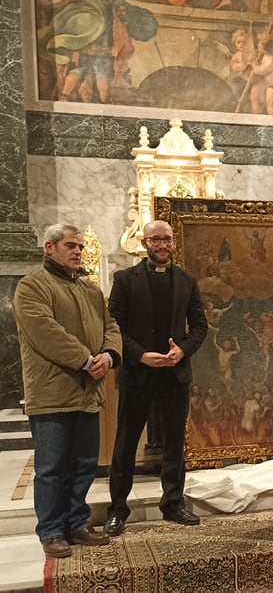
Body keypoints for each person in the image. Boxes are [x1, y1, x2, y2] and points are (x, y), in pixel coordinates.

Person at [12, 224, 122, 558]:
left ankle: (77, 523)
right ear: (50, 247)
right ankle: (51, 530)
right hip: (52, 393)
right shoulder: (32, 286)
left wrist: (109, 356)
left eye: (80, 246)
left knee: (84, 464)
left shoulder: (89, 290)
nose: (78, 251)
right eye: (71, 245)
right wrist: (86, 359)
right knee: (51, 467)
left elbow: (111, 327)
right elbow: (45, 332)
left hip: (88, 393)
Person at [104, 219, 208, 536]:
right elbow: (113, 326)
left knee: (174, 443)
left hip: (174, 374)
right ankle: (117, 509)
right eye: (155, 240)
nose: (162, 245)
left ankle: (173, 504)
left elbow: (200, 326)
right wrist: (139, 354)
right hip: (137, 374)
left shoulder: (187, 281)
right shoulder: (124, 279)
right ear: (144, 243)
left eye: (167, 239)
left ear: (173, 243)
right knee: (125, 444)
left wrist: (183, 351)